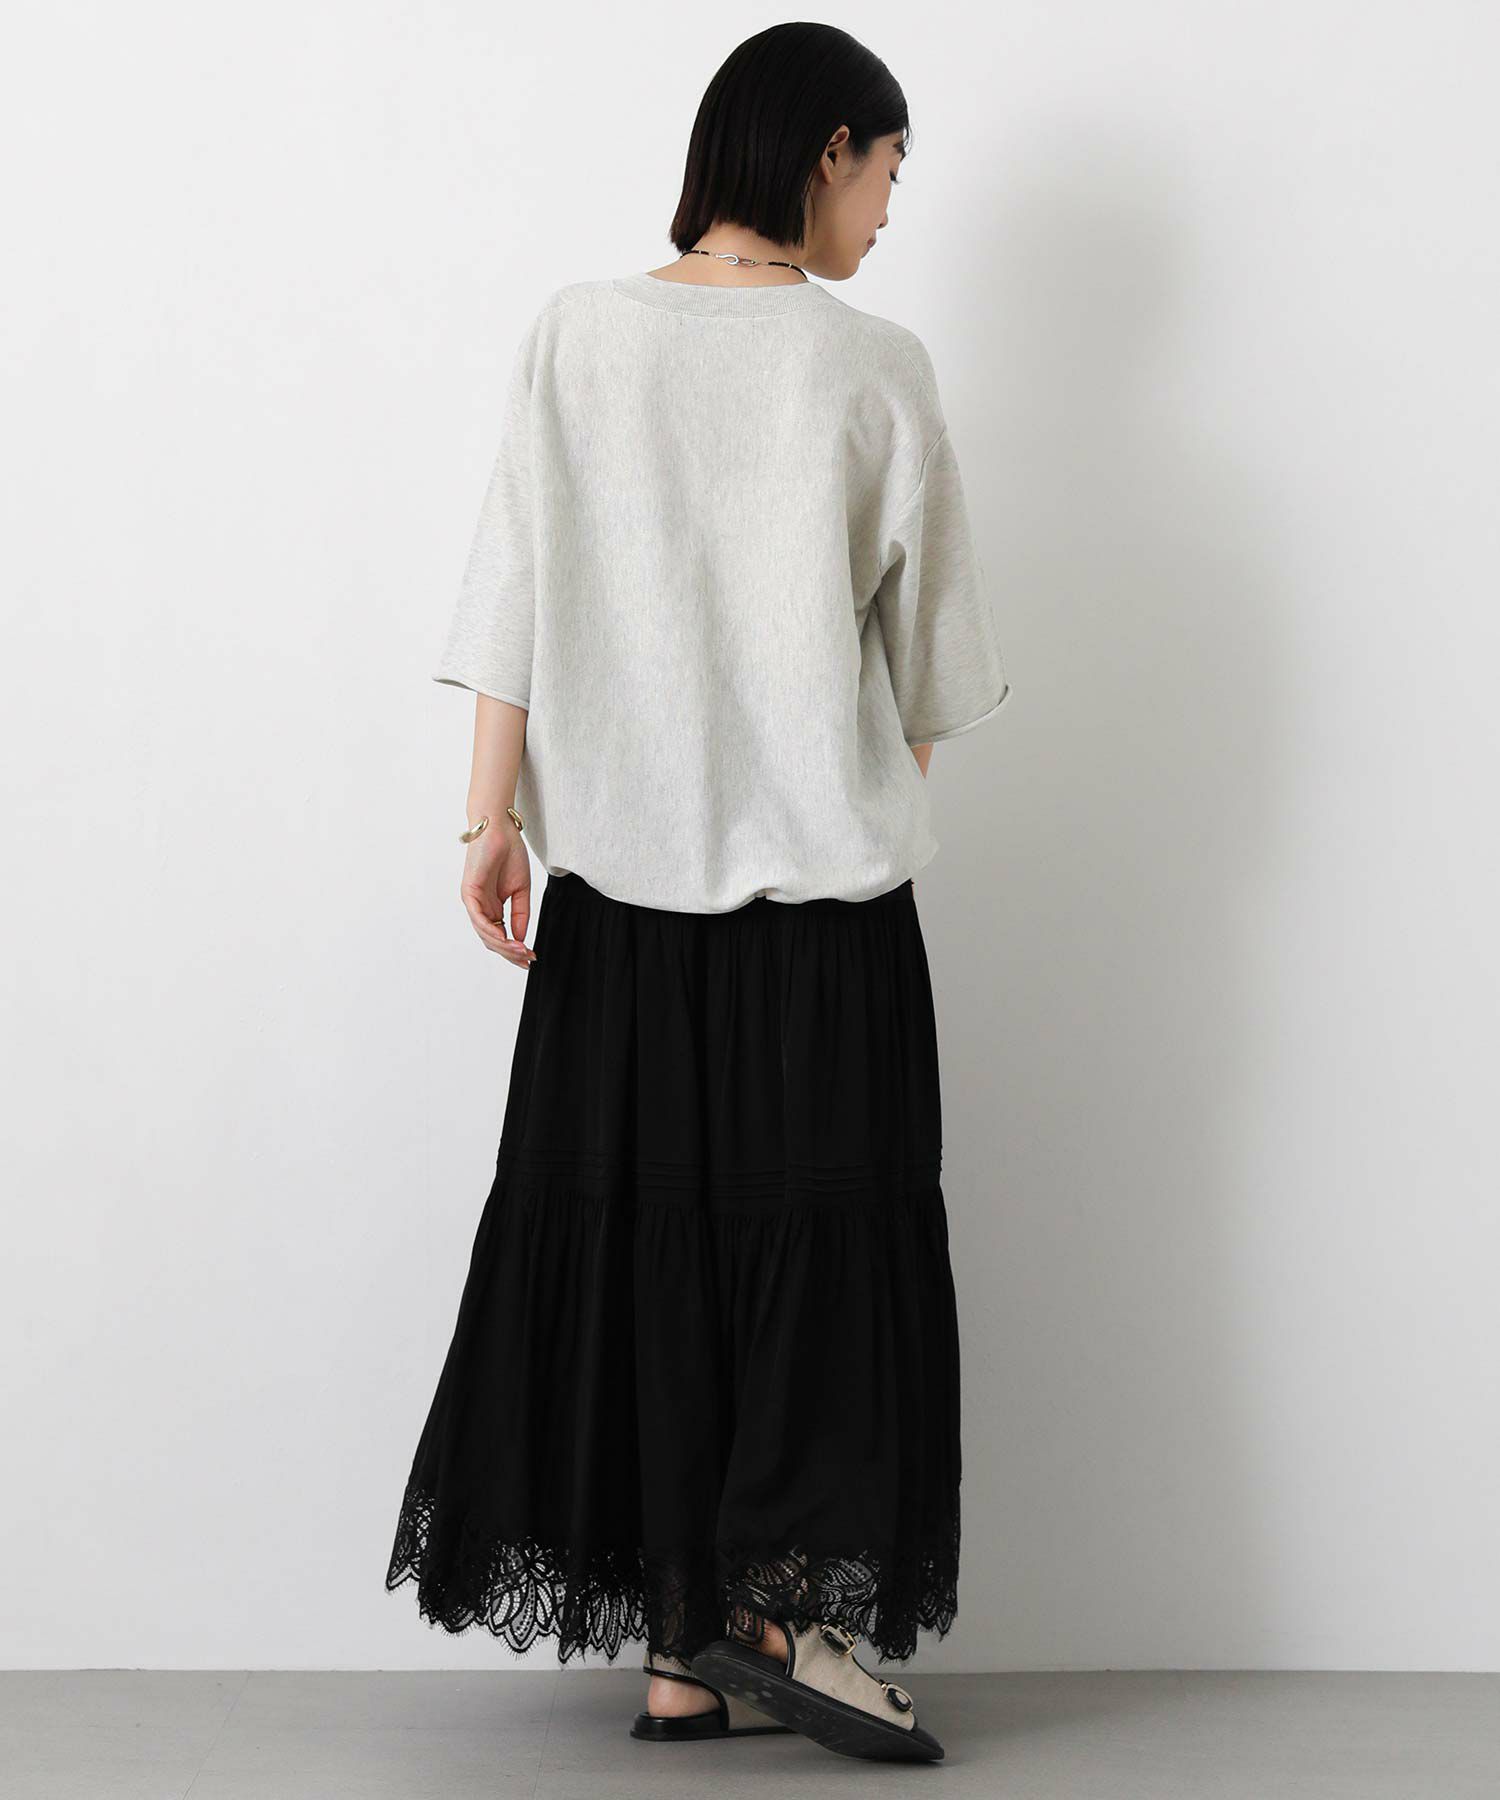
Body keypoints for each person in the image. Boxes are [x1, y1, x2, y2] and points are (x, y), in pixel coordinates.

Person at [384, 21, 1010, 1765]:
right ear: (825, 153)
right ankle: (785, 1616)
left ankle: (682, 1657)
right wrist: (839, 781)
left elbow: (513, 586)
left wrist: (488, 822)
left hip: (621, 907)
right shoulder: (874, 365)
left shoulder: (581, 334)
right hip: (826, 914)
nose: (887, 210)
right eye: (887, 171)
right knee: (818, 1257)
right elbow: (927, 679)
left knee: (647, 1257)